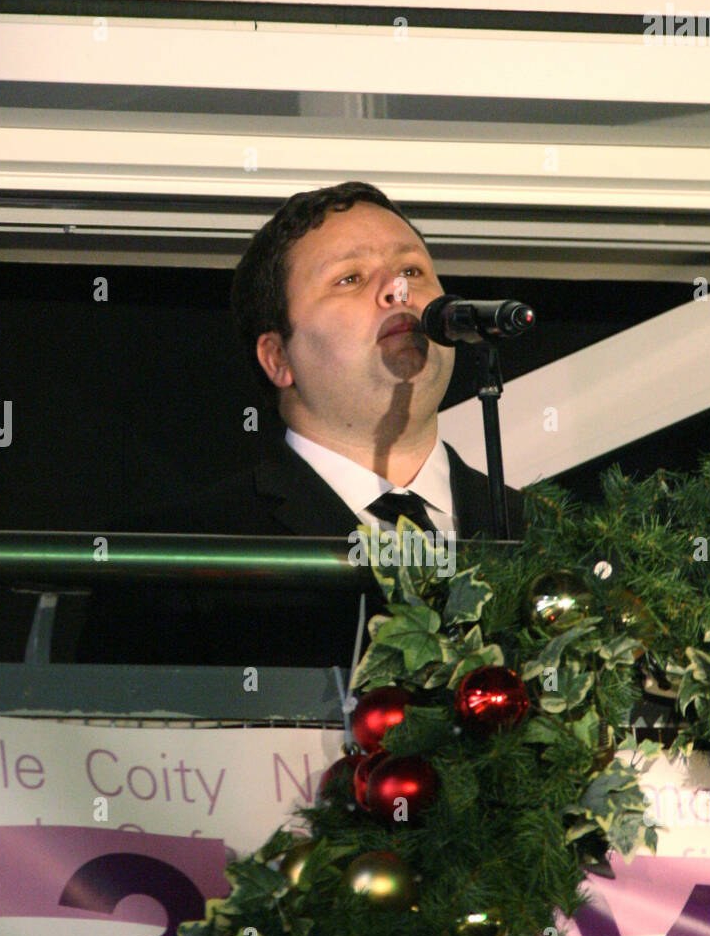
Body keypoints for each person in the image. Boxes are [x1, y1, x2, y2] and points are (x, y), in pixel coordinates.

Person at [76, 182, 525, 666]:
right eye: (350, 278)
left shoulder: (548, 533)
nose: (398, 291)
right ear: (277, 358)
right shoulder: (176, 558)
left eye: (412, 270)